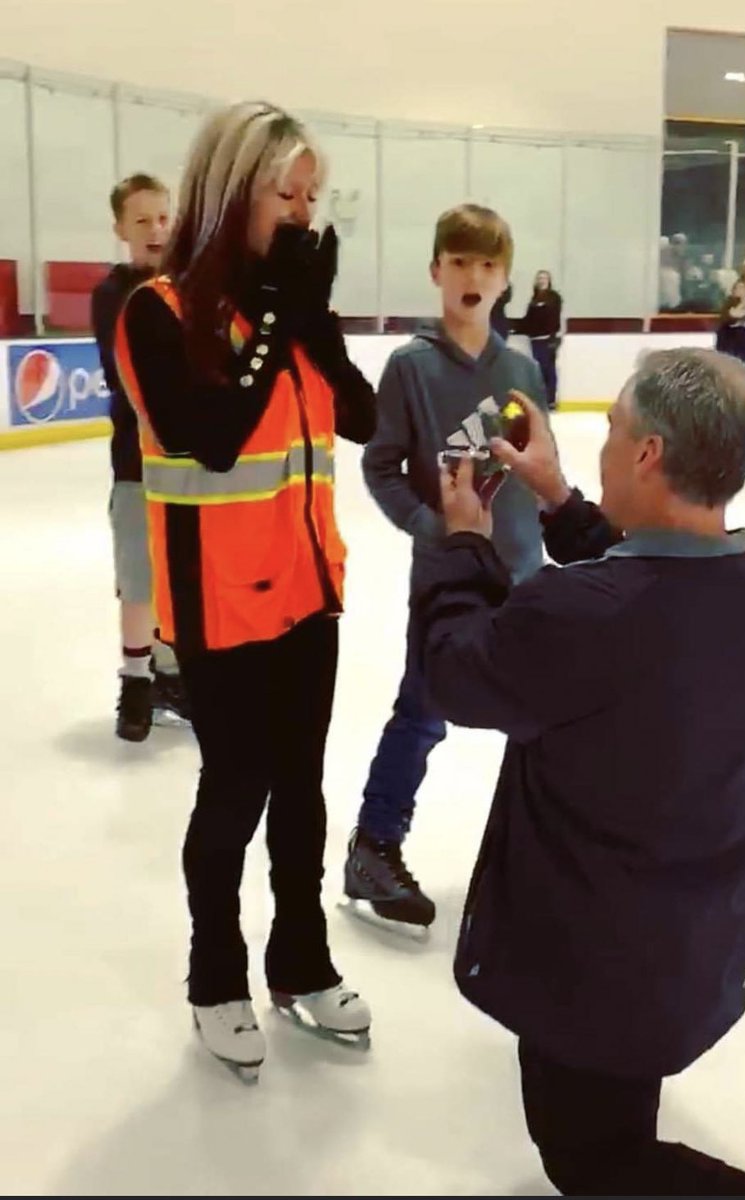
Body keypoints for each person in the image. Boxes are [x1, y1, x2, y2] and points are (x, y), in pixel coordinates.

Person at [415, 354, 745, 1198]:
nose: (602, 444)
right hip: (685, 939)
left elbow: (457, 670)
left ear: (647, 455)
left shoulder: (581, 620)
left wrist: (464, 538)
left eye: (612, 429)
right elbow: (650, 595)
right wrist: (562, 502)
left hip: (588, 958)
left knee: (599, 1161)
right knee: (617, 1116)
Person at [114, 101, 376, 1078]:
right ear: (232, 193)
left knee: (302, 792)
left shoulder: (293, 308)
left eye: (314, 195)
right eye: (286, 193)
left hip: (309, 594)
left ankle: (299, 962)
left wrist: (307, 317)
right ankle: (214, 974)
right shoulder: (160, 313)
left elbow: (361, 417)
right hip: (221, 605)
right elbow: (207, 435)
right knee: (236, 793)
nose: (305, 213)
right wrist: (275, 317)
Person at [344, 204, 548, 932]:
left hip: (523, 573)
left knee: (541, 723)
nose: (474, 276)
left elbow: (534, 465)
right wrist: (433, 530)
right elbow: (380, 465)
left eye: (488, 265)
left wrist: (546, 543)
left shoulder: (522, 369)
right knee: (423, 712)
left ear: (506, 281)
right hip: (445, 576)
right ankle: (374, 847)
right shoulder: (411, 368)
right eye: (460, 262)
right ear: (436, 272)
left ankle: (536, 859)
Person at [92, 173, 189, 742]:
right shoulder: (114, 294)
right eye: (142, 220)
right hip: (135, 462)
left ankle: (171, 674)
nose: (156, 230)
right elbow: (128, 372)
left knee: (177, 576)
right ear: (120, 229)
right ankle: (135, 683)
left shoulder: (188, 286)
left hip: (183, 467)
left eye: (162, 218)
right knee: (139, 579)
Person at [521, 269, 562, 410]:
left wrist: (553, 339)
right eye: (539, 278)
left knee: (549, 370)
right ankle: (541, 398)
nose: (541, 280)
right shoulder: (534, 299)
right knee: (539, 371)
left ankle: (551, 399)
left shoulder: (554, 298)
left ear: (549, 280)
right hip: (535, 340)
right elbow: (528, 321)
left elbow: (555, 319)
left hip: (548, 340)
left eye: (544, 278)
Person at [715, 277, 745, 366]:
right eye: (737, 288)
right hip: (729, 342)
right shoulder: (728, 304)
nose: (740, 290)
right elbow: (728, 318)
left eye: (743, 288)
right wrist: (739, 310)